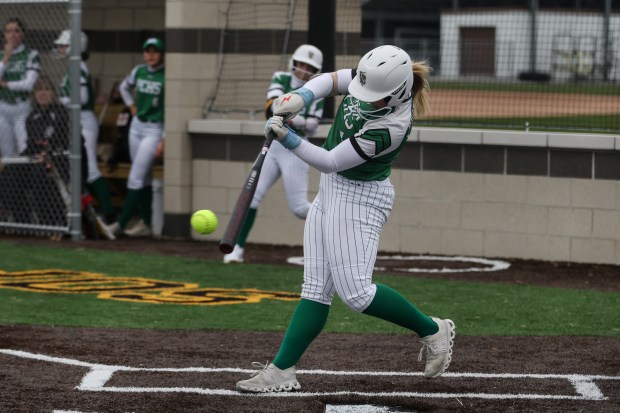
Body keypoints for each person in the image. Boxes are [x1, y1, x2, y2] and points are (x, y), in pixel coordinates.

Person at [235, 45, 455, 393]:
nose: (365, 100)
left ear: (397, 93)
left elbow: (330, 160)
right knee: (314, 288)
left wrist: (288, 137)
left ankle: (432, 329)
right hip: (331, 191)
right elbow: (329, 80)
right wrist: (301, 97)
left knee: (357, 294)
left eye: (374, 97)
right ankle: (282, 369)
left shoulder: (392, 126)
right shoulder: (376, 80)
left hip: (360, 199)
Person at [223, 44, 324, 263]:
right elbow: (272, 108)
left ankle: (330, 222)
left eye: (310, 67)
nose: (304, 70)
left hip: (296, 148)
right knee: (251, 196)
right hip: (274, 144)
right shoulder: (280, 78)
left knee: (298, 208)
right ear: (294, 63)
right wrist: (300, 120)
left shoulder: (317, 89)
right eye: (302, 64)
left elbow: (313, 126)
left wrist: (294, 119)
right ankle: (236, 249)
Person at [54, 29, 116, 238]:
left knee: (89, 168)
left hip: (83, 121)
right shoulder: (74, 67)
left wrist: (60, 101)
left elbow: (80, 98)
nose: (61, 49)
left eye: (64, 45)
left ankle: (109, 215)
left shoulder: (78, 66)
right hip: (76, 120)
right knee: (79, 167)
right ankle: (88, 213)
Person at [103, 37, 165, 239]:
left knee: (135, 177)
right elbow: (123, 87)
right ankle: (146, 224)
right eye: (148, 51)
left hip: (155, 129)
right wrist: (131, 105)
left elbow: (171, 109)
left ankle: (120, 224)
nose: (151, 55)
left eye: (155, 51)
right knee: (144, 177)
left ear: (162, 53)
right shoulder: (138, 71)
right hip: (137, 126)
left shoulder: (167, 75)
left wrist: (164, 138)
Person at [0, 17, 40, 157]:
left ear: (23, 34)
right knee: (7, 152)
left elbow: (29, 85)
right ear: (4, 35)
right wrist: (6, 58)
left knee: (24, 147)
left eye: (16, 31)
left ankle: (25, 177)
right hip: (2, 108)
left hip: (22, 108)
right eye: (8, 31)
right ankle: (10, 178)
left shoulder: (31, 55)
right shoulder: (1, 56)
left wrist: (5, 84)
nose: (12, 35)